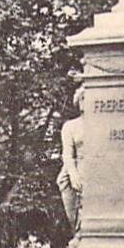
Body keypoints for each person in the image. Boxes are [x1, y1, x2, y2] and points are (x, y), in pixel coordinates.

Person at [57, 85, 86, 238]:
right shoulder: (70, 126)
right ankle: (77, 233)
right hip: (76, 168)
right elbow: (67, 154)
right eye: (82, 98)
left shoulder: (102, 126)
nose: (84, 102)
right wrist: (74, 174)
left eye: (87, 98)